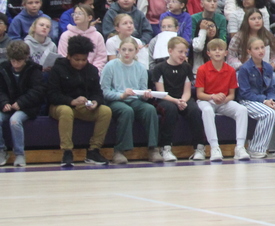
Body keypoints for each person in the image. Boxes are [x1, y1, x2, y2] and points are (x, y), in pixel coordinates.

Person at [47, 35, 112, 167]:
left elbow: (98, 93)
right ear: (68, 56)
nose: (80, 63)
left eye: (84, 59)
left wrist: (95, 102)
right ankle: (67, 151)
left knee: (105, 111)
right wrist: (71, 101)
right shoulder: (57, 69)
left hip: (83, 107)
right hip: (60, 106)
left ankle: (94, 150)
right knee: (66, 111)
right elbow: (51, 94)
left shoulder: (92, 70)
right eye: (76, 59)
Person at [236, 35, 275, 159]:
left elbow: (270, 88)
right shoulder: (244, 69)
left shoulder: (268, 67)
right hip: (248, 100)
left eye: (262, 47)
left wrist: (271, 100)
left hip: (265, 99)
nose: (260, 51)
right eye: (256, 48)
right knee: (269, 113)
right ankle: (255, 148)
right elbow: (244, 93)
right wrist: (263, 100)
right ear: (249, 51)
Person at [101, 37, 161, 165]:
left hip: (134, 100)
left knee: (150, 109)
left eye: (130, 50)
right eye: (124, 49)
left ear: (136, 52)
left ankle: (153, 148)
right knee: (126, 111)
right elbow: (105, 92)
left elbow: (141, 91)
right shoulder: (110, 66)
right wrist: (121, 95)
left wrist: (146, 95)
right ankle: (119, 150)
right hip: (116, 101)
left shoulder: (140, 68)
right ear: (119, 50)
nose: (126, 53)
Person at [152, 37, 206, 162]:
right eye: (180, 52)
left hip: (182, 98)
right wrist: (176, 101)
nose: (183, 55)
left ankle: (199, 147)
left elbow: (187, 91)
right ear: (170, 51)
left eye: (185, 52)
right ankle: (165, 147)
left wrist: (182, 101)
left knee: (194, 110)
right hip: (165, 99)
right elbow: (161, 92)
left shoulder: (186, 67)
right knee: (170, 110)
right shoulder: (159, 68)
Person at [195, 38, 249, 161]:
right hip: (207, 100)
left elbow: (232, 95)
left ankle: (240, 147)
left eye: (220, 49)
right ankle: (214, 147)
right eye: (214, 50)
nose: (217, 52)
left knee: (242, 110)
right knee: (207, 110)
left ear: (226, 53)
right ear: (208, 53)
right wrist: (213, 97)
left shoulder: (230, 70)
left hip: (224, 101)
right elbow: (199, 94)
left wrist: (223, 99)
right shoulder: (202, 69)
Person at [0, 41, 45, 167]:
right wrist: (4, 103)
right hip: (7, 106)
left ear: (25, 58)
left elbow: (38, 91)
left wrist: (21, 103)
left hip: (27, 107)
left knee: (15, 121)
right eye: (13, 61)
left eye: (19, 61)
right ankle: (1, 150)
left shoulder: (34, 70)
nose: (15, 64)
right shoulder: (3, 68)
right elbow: (1, 90)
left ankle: (19, 154)